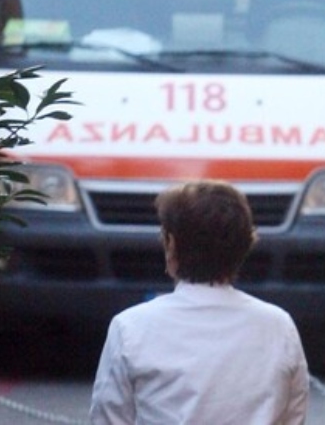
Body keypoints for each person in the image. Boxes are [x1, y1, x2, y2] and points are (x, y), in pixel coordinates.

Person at [90, 181, 308, 424]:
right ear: (244, 246)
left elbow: (108, 417)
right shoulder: (279, 326)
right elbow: (293, 416)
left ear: (171, 245)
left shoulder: (130, 327)